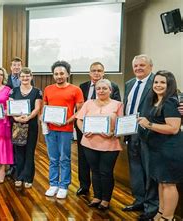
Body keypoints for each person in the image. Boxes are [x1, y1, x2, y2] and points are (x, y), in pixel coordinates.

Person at [137, 71, 183, 221]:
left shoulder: (170, 101)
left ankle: (168, 217)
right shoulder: (155, 100)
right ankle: (161, 213)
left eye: (163, 82)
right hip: (156, 149)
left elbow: (173, 128)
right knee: (161, 182)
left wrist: (149, 124)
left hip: (169, 149)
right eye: (156, 82)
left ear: (169, 84)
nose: (158, 85)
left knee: (168, 184)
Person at [76, 79, 124, 210]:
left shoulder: (118, 104)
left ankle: (106, 199)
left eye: (104, 88)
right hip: (89, 143)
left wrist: (113, 132)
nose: (101, 91)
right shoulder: (88, 103)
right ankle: (97, 196)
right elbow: (79, 120)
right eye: (98, 89)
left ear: (110, 90)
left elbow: (122, 124)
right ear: (95, 90)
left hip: (110, 144)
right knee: (95, 171)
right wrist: (83, 130)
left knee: (106, 172)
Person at [122, 55, 158, 221]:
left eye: (142, 65)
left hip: (149, 134)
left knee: (149, 171)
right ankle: (139, 200)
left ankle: (151, 207)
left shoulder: (156, 83)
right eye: (136, 66)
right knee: (135, 170)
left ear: (150, 66)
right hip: (131, 132)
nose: (138, 68)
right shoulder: (130, 83)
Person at [42, 60, 84, 199]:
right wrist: (46, 118)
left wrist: (68, 121)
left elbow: (80, 111)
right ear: (53, 75)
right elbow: (45, 107)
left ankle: (63, 186)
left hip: (66, 129)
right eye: (56, 74)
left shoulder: (75, 90)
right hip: (50, 129)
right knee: (53, 158)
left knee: (64, 158)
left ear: (67, 74)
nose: (59, 76)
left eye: (61, 73)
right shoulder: (48, 89)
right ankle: (53, 184)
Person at [9, 67, 42, 188]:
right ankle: (19, 176)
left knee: (29, 151)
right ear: (19, 77)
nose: (25, 78)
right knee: (18, 151)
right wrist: (16, 118)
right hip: (17, 125)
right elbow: (10, 106)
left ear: (31, 77)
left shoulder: (37, 91)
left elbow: (37, 108)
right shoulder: (14, 91)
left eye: (27, 76)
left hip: (31, 125)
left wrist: (28, 118)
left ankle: (28, 177)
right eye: (22, 76)